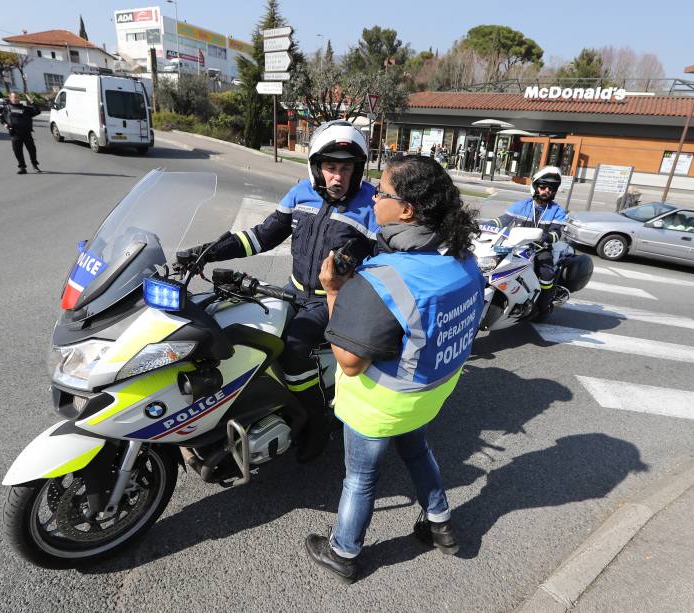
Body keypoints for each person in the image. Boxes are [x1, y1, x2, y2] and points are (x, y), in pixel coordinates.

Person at [304, 154, 485, 583]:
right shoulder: (462, 257)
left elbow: (349, 361)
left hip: (382, 402)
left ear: (406, 210)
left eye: (381, 191)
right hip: (430, 389)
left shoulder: (383, 277)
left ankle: (344, 552)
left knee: (361, 479)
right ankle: (439, 522)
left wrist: (334, 292)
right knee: (418, 450)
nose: (374, 197)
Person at [184, 120, 378, 462]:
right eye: (330, 167)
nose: (338, 177)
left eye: (346, 169)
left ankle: (316, 419)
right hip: (291, 291)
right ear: (316, 167)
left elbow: (386, 257)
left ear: (357, 169)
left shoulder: (371, 206)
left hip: (332, 301)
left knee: (293, 346)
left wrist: (361, 258)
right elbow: (261, 236)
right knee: (243, 331)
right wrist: (207, 252)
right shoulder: (299, 193)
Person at [484, 165, 567, 319]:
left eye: (550, 188)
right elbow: (501, 221)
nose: (546, 191)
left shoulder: (557, 210)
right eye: (543, 187)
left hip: (541, 249)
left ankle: (543, 308)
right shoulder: (522, 205)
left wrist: (547, 237)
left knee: (547, 274)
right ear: (535, 187)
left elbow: (558, 232)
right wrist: (482, 226)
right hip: (516, 247)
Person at [1, 92, 41, 174]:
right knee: (17, 151)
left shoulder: (25, 108)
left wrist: (32, 102)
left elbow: (37, 111)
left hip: (26, 133)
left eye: (17, 97)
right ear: (10, 98)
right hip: (15, 133)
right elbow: (2, 119)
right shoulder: (6, 108)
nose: (16, 99)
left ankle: (35, 165)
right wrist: (5, 124)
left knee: (32, 150)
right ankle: (22, 167)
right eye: (14, 97)